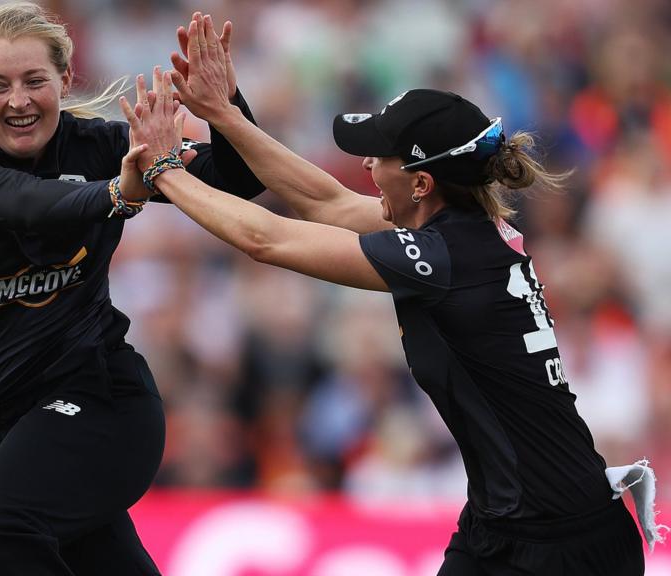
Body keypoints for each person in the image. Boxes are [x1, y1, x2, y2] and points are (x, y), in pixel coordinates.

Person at [120, 12, 660, 575]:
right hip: (508, 521)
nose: (367, 165)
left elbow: (267, 238)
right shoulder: (464, 231)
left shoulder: (443, 257)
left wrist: (164, 170)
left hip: (559, 544)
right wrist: (223, 114)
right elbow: (323, 201)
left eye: (380, 156)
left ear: (422, 183)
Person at [0, 3, 264, 574]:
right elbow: (21, 202)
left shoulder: (100, 147)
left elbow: (238, 179)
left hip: (100, 404)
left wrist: (225, 109)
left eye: (34, 81)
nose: (18, 100)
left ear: (66, 80)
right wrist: (116, 194)